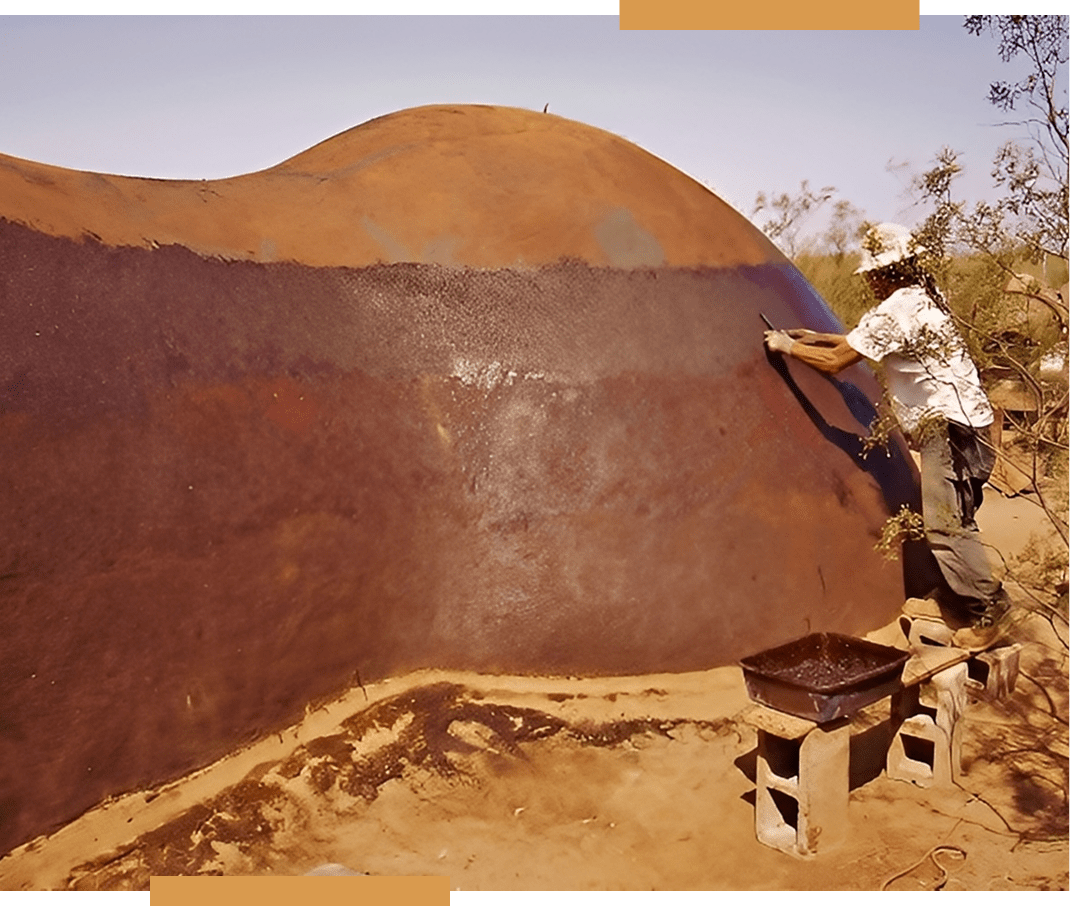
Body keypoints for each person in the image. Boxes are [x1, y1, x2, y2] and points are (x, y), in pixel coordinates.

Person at [763, 222, 1008, 630]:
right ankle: (961, 598)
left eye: (876, 274)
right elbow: (852, 345)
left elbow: (839, 362)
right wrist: (814, 336)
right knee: (958, 522)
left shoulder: (898, 310)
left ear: (890, 272)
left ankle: (988, 611)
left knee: (945, 526)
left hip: (947, 432)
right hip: (973, 429)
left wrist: (788, 348)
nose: (872, 282)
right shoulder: (924, 299)